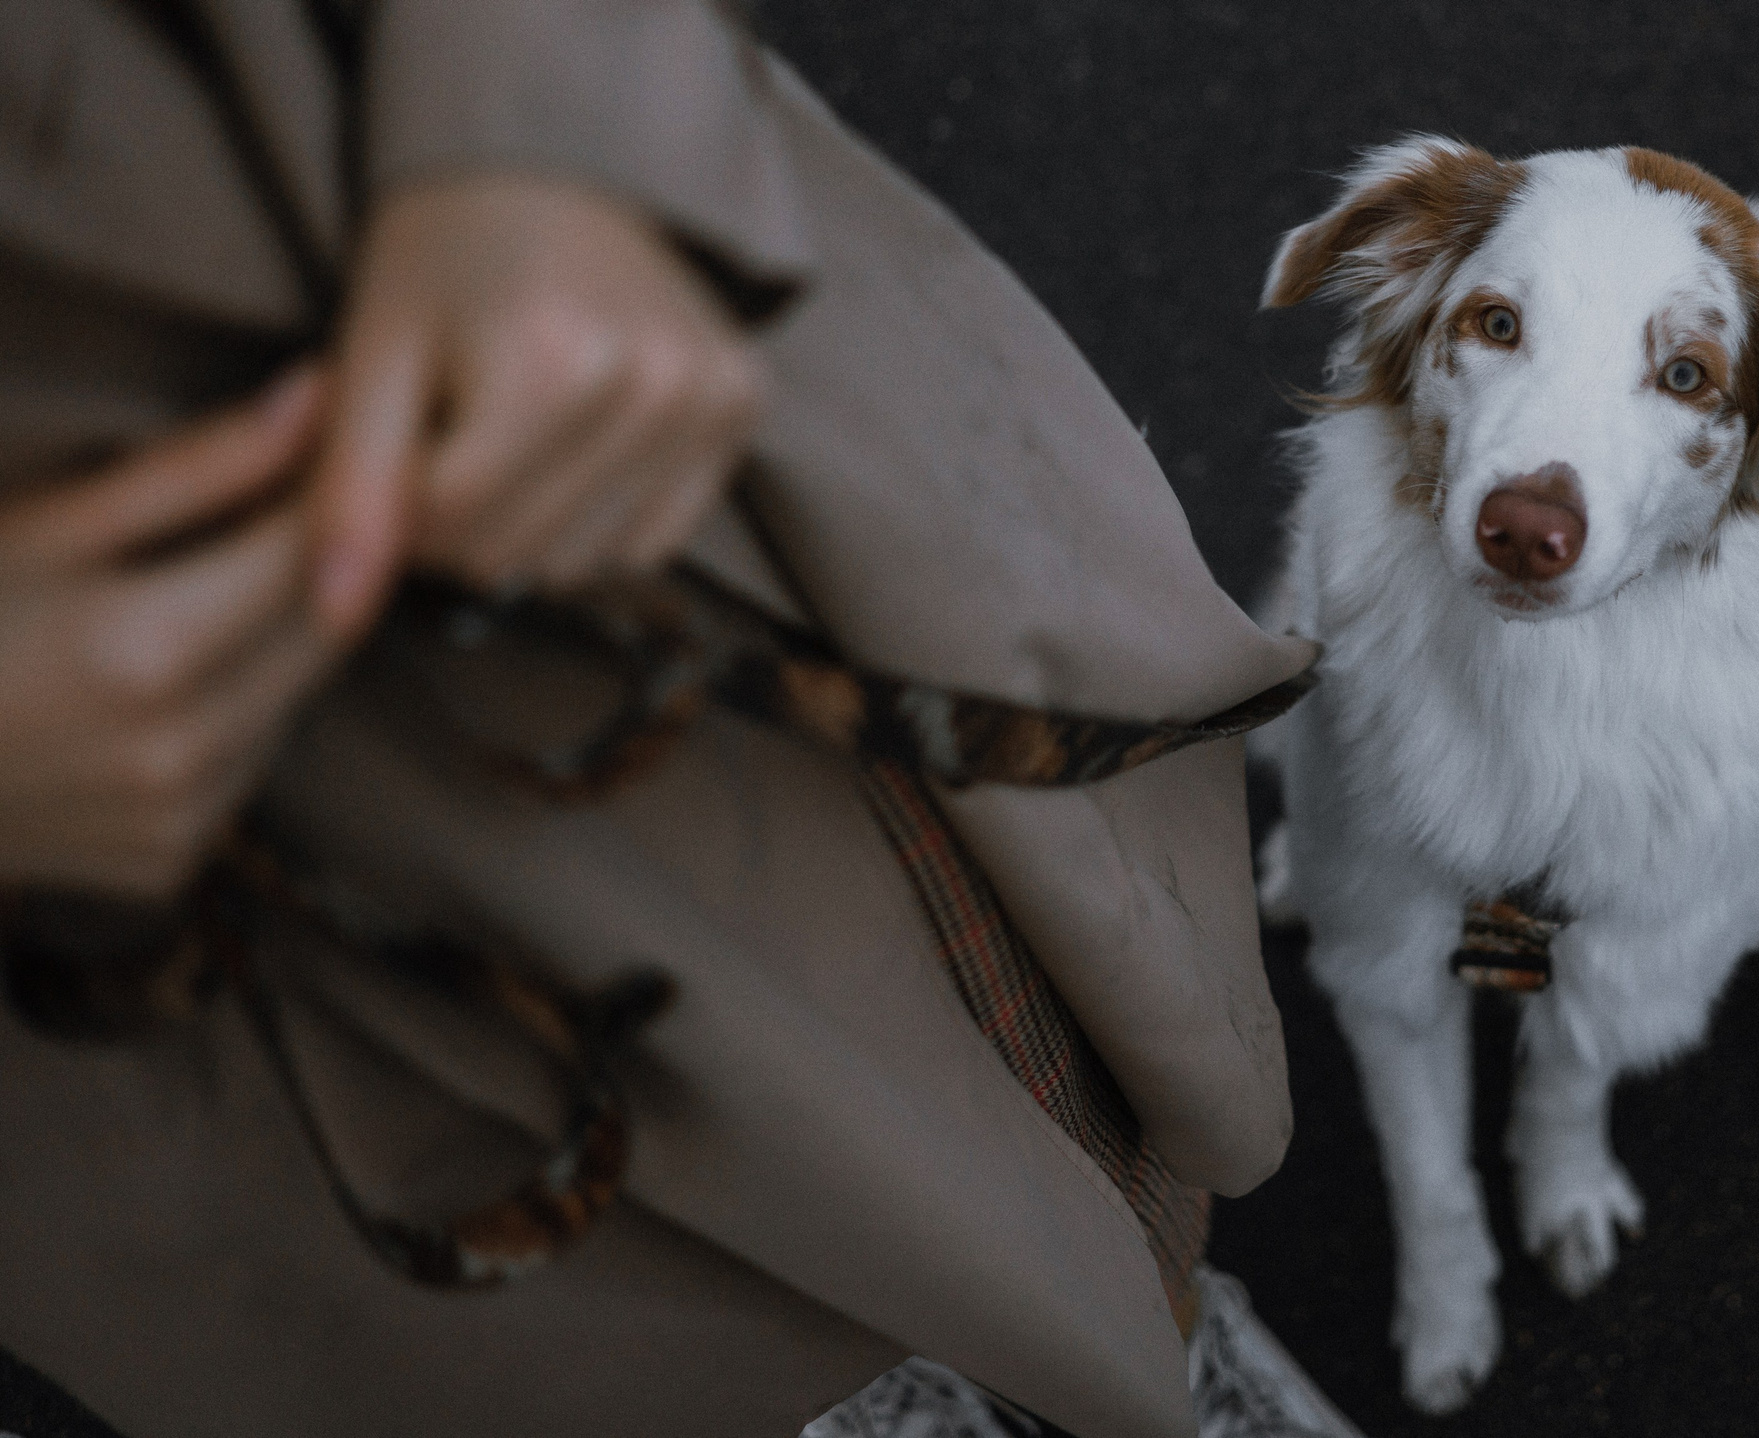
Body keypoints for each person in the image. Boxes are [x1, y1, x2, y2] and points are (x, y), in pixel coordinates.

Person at [0, 2, 1345, 1435]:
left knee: (1056, 1059)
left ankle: (1137, 1331)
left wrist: (529, 111)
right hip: (119, 975)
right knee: (600, 1346)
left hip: (643, 449)